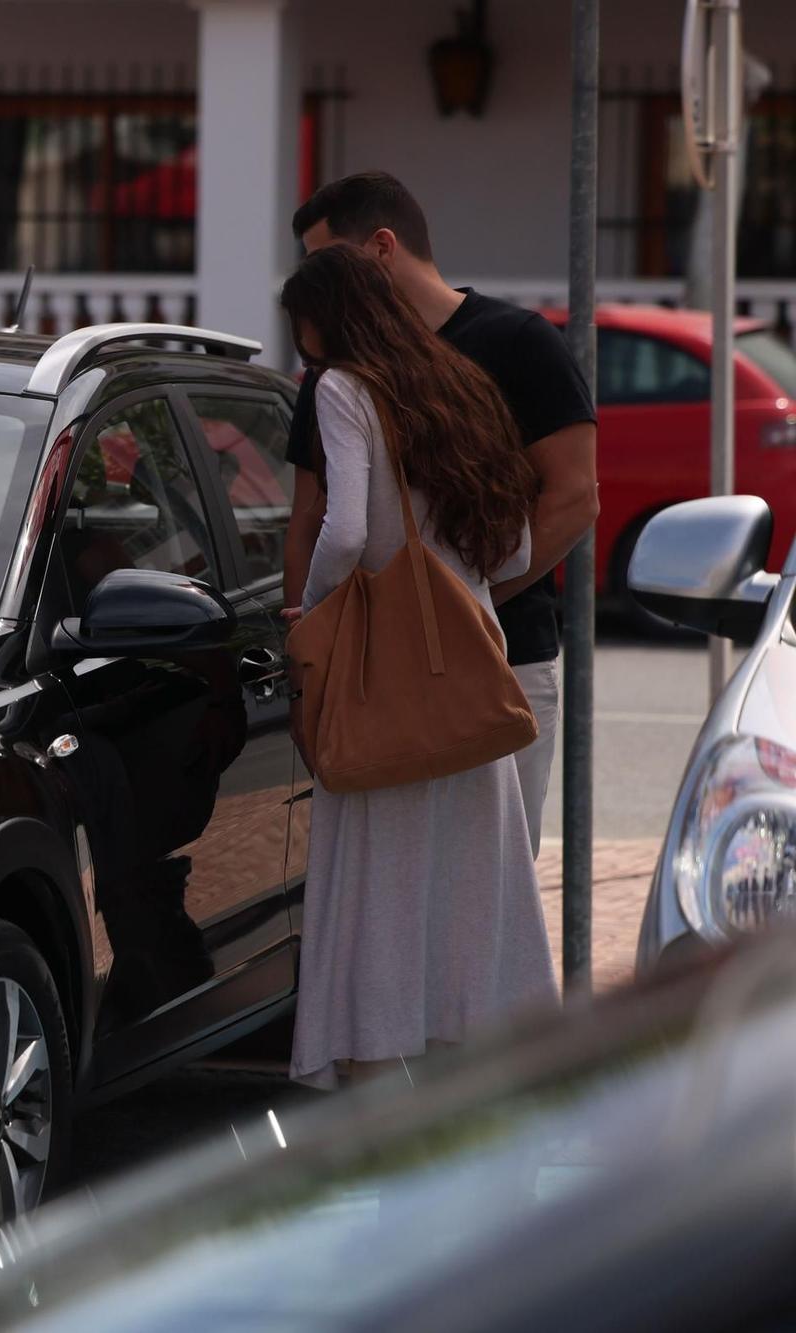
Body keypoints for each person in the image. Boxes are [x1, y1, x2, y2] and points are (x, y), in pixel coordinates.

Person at [281, 244, 558, 1089]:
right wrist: (456, 589)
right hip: (471, 664)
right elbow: (512, 542)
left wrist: (317, 607)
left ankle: (373, 1084)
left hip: (380, 673)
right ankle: (474, 1089)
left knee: (375, 891)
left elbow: (349, 531)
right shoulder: (458, 384)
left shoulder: (343, 388)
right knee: (473, 893)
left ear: (326, 316)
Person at [282, 173, 598, 857]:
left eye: (323, 261)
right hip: (367, 671)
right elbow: (306, 518)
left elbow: (574, 497)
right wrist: (311, 653)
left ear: (381, 248)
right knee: (393, 878)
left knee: (488, 880)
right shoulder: (330, 372)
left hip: (502, 659)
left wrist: (457, 606)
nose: (314, 282)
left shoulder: (515, 343)